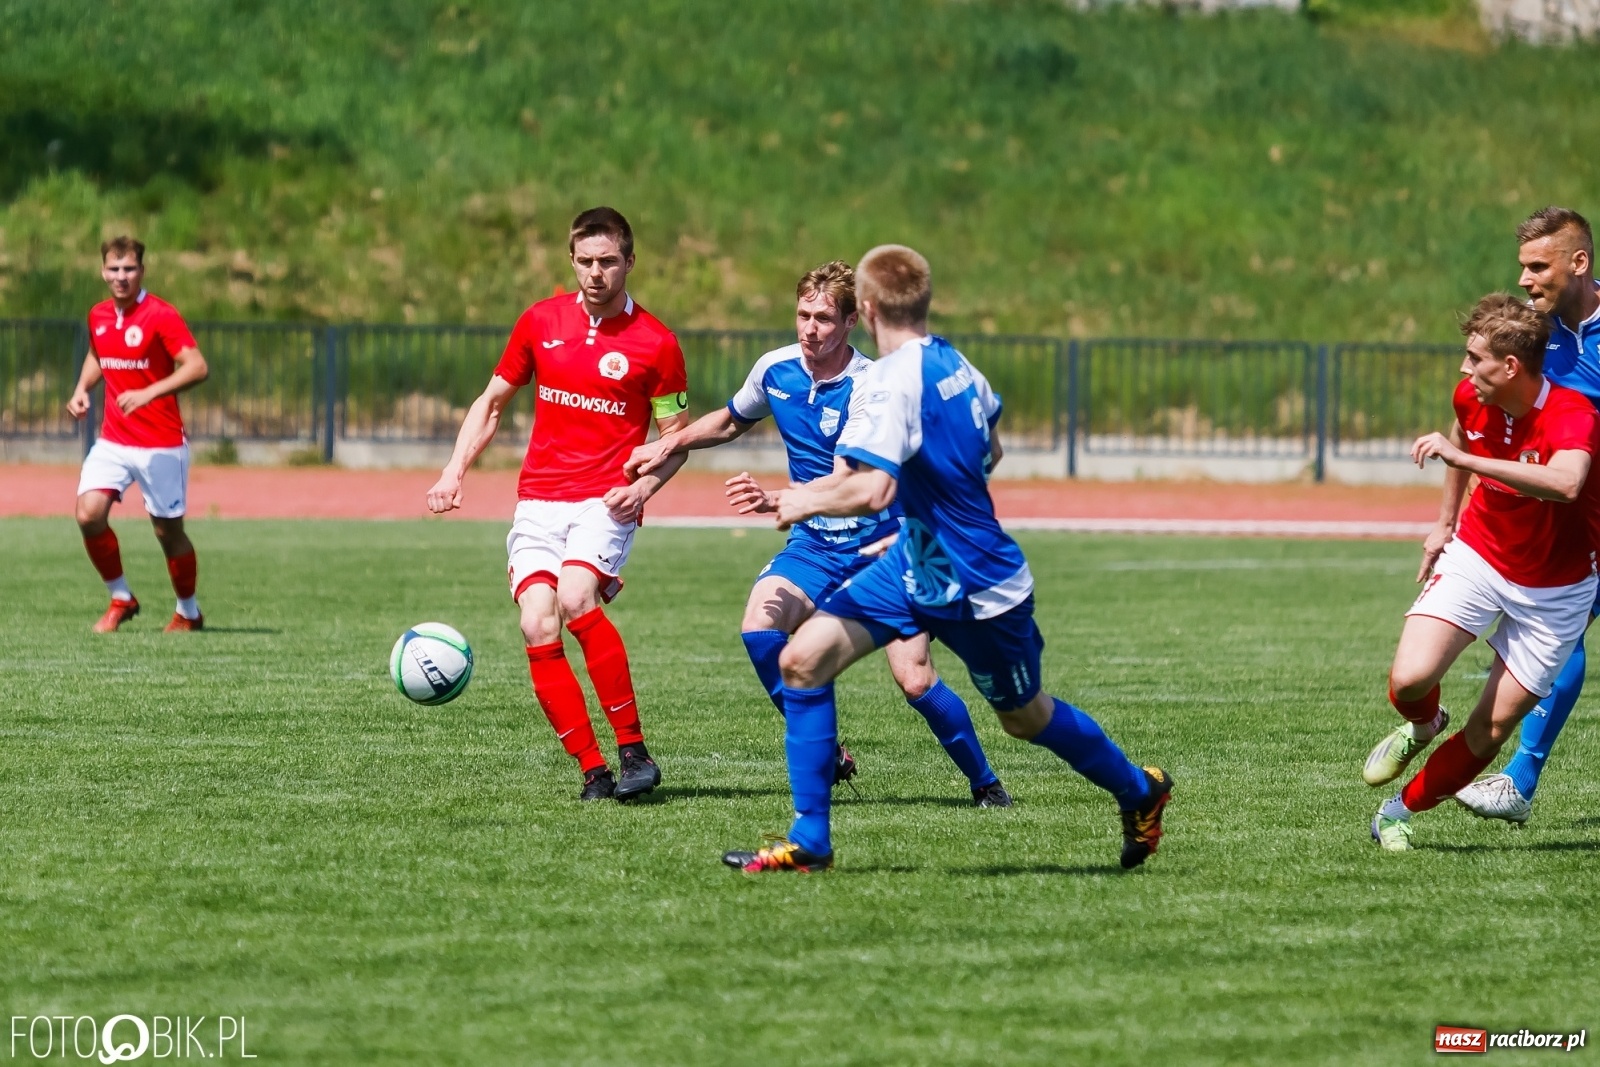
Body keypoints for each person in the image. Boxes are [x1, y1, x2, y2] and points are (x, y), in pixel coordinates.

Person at [718, 245, 1171, 874]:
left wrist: (796, 501)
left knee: (1026, 717)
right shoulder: (959, 365)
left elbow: (869, 488)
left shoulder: (887, 384)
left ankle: (1139, 790)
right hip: (919, 561)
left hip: (980, 581)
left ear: (867, 309)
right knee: (802, 659)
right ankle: (811, 840)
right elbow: (994, 448)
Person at [625, 261, 1012, 806]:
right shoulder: (776, 369)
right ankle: (828, 753)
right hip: (815, 543)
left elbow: (849, 477)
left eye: (824, 318)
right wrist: (666, 444)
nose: (809, 329)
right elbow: (733, 419)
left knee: (916, 680)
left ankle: (985, 783)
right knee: (760, 630)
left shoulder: (872, 385)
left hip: (884, 544)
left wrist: (781, 499)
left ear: (852, 321)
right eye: (803, 315)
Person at [426, 207, 689, 802]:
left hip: (605, 499)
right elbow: (491, 403)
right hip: (538, 500)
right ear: (572, 260)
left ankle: (634, 752)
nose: (596, 273)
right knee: (535, 621)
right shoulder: (539, 321)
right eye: (586, 261)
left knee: (575, 597)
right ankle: (593, 771)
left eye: (609, 261)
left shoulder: (657, 343)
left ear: (629, 261)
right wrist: (454, 470)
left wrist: (642, 488)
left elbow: (677, 441)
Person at [1366, 294, 1600, 851]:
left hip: (1557, 589)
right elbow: (1464, 435)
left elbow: (1567, 482)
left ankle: (1397, 813)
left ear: (1511, 367)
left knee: (1491, 729)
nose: (1465, 370)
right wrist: (1444, 522)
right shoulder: (1471, 398)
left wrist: (1463, 460)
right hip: (1482, 553)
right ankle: (1424, 724)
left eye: (1474, 359)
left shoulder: (1573, 414)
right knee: (1409, 679)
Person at [1456, 207, 1600, 824]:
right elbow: (1482, 409)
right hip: (1581, 520)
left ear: (1579, 263)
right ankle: (1520, 778)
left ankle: (1519, 780)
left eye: (1538, 267)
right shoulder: (1532, 338)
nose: (1526, 280)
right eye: (1523, 267)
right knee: (1560, 634)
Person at [66, 236, 210, 633]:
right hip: (113, 440)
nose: (121, 277)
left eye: (129, 269)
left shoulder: (160, 315)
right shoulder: (97, 315)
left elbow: (197, 367)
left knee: (168, 531)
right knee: (87, 514)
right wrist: (82, 389)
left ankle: (188, 611)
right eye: (114, 269)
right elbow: (98, 354)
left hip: (160, 443)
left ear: (142, 272)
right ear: (103, 272)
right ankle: (121, 596)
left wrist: (149, 391)